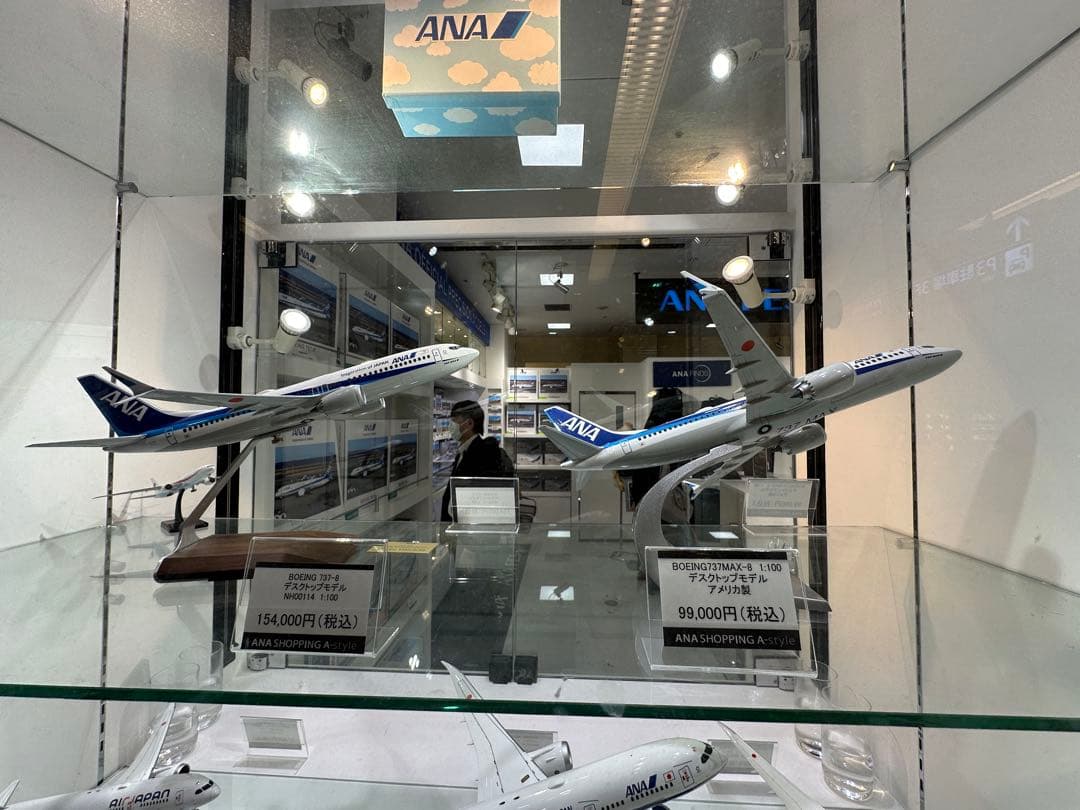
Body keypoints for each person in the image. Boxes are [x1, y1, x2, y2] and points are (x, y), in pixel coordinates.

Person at [440, 399, 515, 521]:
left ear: (469, 423)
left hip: (468, 526)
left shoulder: (483, 454)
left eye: (454, 421)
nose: (450, 426)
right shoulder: (464, 451)